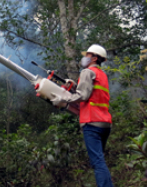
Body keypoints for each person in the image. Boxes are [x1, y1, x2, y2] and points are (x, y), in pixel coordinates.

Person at [50, 44, 113, 187]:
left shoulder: (87, 72)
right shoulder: (101, 75)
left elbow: (83, 95)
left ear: (94, 58)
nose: (85, 58)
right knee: (100, 160)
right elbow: (92, 94)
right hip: (105, 123)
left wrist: (63, 99)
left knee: (97, 162)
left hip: (92, 122)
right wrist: (74, 86)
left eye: (88, 55)